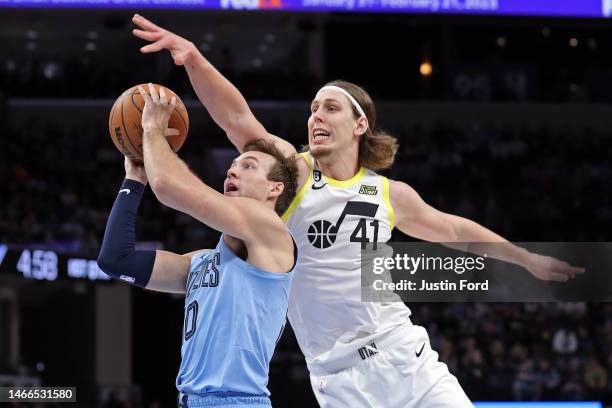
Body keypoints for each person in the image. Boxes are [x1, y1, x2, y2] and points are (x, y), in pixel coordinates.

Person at [131, 15, 584, 407]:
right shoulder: (293, 172)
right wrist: (193, 58)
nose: (316, 117)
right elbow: (235, 118)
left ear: (360, 124)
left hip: (404, 355)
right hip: (337, 378)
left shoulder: (389, 192)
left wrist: (526, 257)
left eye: (330, 108)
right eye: (313, 109)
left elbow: (455, 229)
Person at [97, 84, 299, 408]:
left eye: (248, 166)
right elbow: (116, 260)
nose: (233, 168)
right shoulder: (201, 262)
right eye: (233, 164)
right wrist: (134, 180)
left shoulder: (272, 231)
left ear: (275, 188)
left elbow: (167, 186)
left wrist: (152, 130)